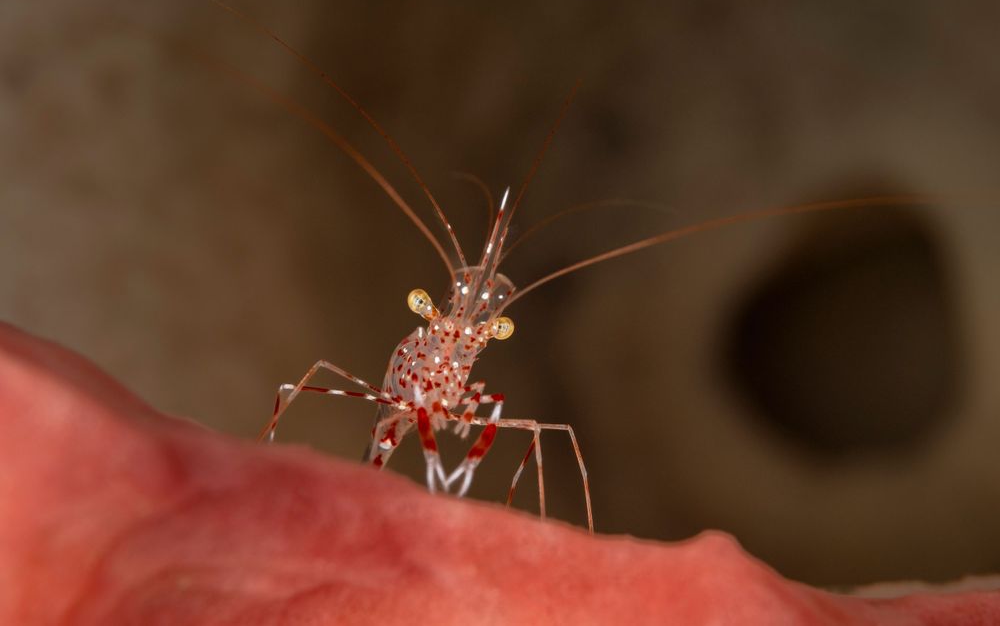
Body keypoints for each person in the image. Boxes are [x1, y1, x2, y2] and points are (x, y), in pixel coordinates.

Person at [1, 321, 995, 624]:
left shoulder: (472, 384)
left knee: (541, 433)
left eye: (488, 325)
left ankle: (531, 533)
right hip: (374, 444)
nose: (467, 331)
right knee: (316, 387)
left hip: (430, 471)